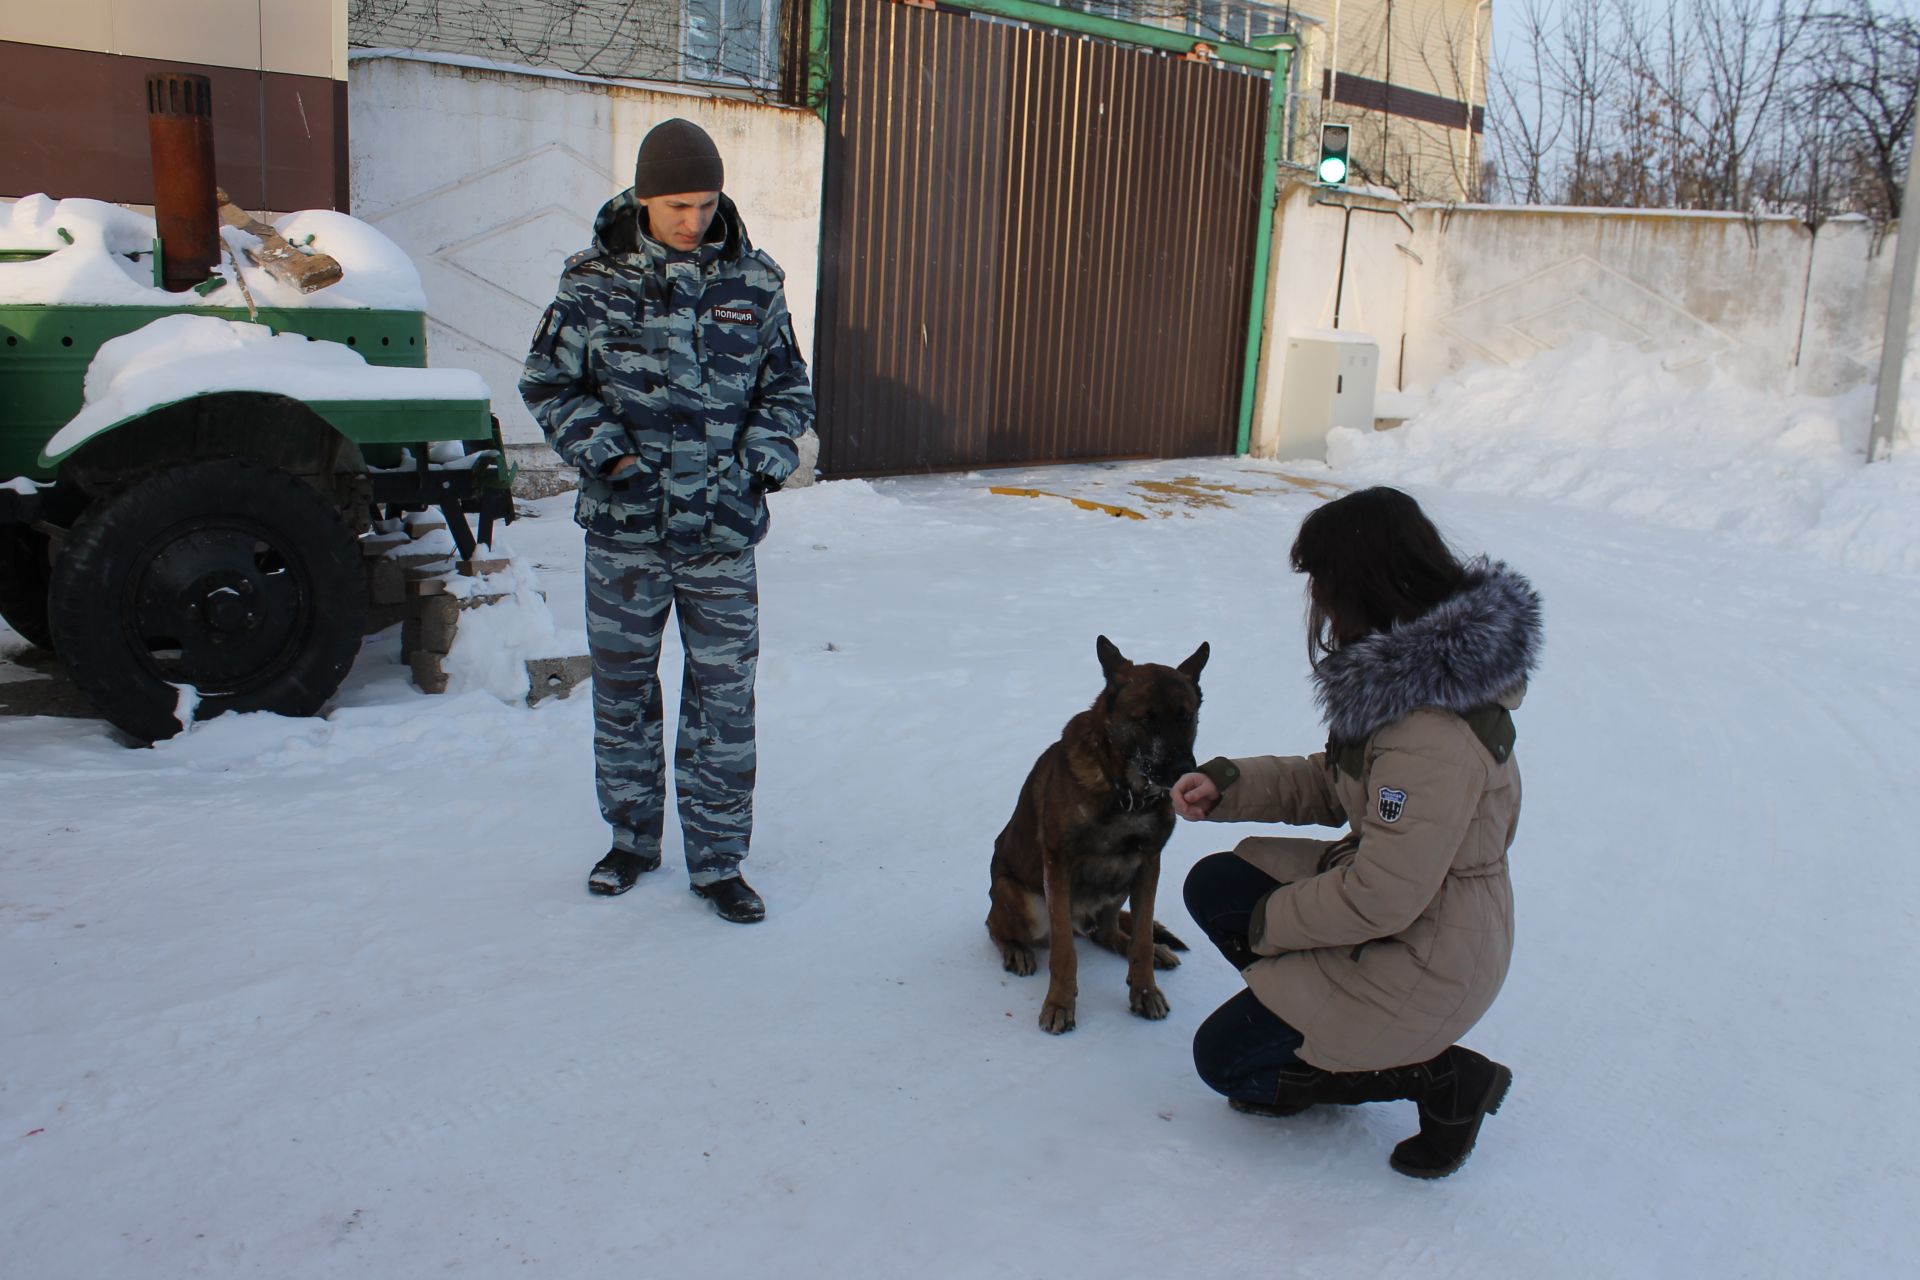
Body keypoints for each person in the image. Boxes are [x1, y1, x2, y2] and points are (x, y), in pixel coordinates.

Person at [1169, 486, 1542, 1178]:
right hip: (1404, 913)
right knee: (1217, 883)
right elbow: (1338, 782)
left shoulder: (1431, 731)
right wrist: (1231, 783)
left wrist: (1268, 927)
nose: (1316, 600)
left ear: (1361, 583)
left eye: (1321, 580)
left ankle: (1439, 1077)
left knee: (1223, 1062)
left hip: (1429, 956)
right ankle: (1313, 1023)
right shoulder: (1406, 681)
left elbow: (1382, 899)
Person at [519, 118, 811, 924]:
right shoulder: (591, 282)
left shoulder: (754, 282)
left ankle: (719, 862)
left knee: (723, 701)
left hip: (719, 534)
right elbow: (548, 385)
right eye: (677, 204)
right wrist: (607, 455)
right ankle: (631, 840)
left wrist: (757, 464)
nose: (693, 220)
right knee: (621, 693)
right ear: (645, 198)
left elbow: (788, 392)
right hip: (625, 534)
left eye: (706, 202)